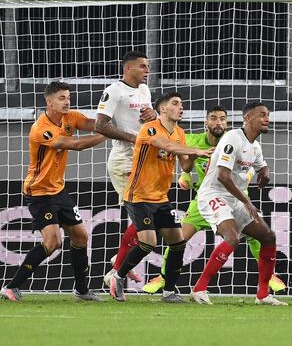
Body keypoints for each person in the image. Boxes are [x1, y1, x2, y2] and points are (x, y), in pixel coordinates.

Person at [142, 106, 286, 294]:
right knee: (178, 240)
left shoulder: (244, 142)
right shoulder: (196, 140)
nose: (218, 122)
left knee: (261, 235)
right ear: (206, 122)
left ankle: (268, 278)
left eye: (222, 119)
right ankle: (165, 277)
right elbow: (180, 156)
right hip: (207, 196)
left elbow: (252, 165)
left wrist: (260, 174)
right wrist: (185, 174)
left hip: (235, 196)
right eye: (213, 118)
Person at [1, 81, 106, 301]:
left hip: (58, 190)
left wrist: (115, 120)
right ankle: (11, 287)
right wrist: (110, 135)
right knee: (53, 242)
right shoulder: (41, 128)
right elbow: (74, 145)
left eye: (68, 97)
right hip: (39, 191)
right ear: (48, 102)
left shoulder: (70, 117)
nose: (67, 101)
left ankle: (81, 290)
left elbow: (93, 123)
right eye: (61, 98)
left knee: (81, 236)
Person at [108, 92, 211, 302]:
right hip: (138, 196)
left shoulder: (180, 133)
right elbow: (167, 146)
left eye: (181, 104)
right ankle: (117, 277)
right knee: (148, 243)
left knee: (178, 241)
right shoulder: (150, 128)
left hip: (161, 198)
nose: (180, 107)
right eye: (175, 103)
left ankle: (169, 291)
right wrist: (196, 150)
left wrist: (192, 156)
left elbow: (185, 165)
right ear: (163, 109)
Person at [190, 102, 285, 306]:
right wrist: (247, 201)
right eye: (262, 115)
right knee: (232, 238)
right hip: (213, 194)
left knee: (268, 236)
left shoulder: (255, 146)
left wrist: (265, 172)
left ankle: (263, 295)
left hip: (234, 198)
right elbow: (223, 176)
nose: (267, 118)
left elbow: (261, 166)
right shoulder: (232, 139)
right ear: (248, 118)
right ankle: (199, 289)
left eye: (267, 115)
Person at [96, 51, 157, 286]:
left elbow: (148, 123)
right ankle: (116, 271)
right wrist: (133, 139)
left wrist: (153, 115)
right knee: (147, 215)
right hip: (123, 162)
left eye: (148, 66)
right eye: (143, 66)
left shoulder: (144, 91)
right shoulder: (114, 91)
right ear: (128, 68)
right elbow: (101, 125)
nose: (147, 71)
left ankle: (117, 263)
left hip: (143, 161)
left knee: (147, 216)